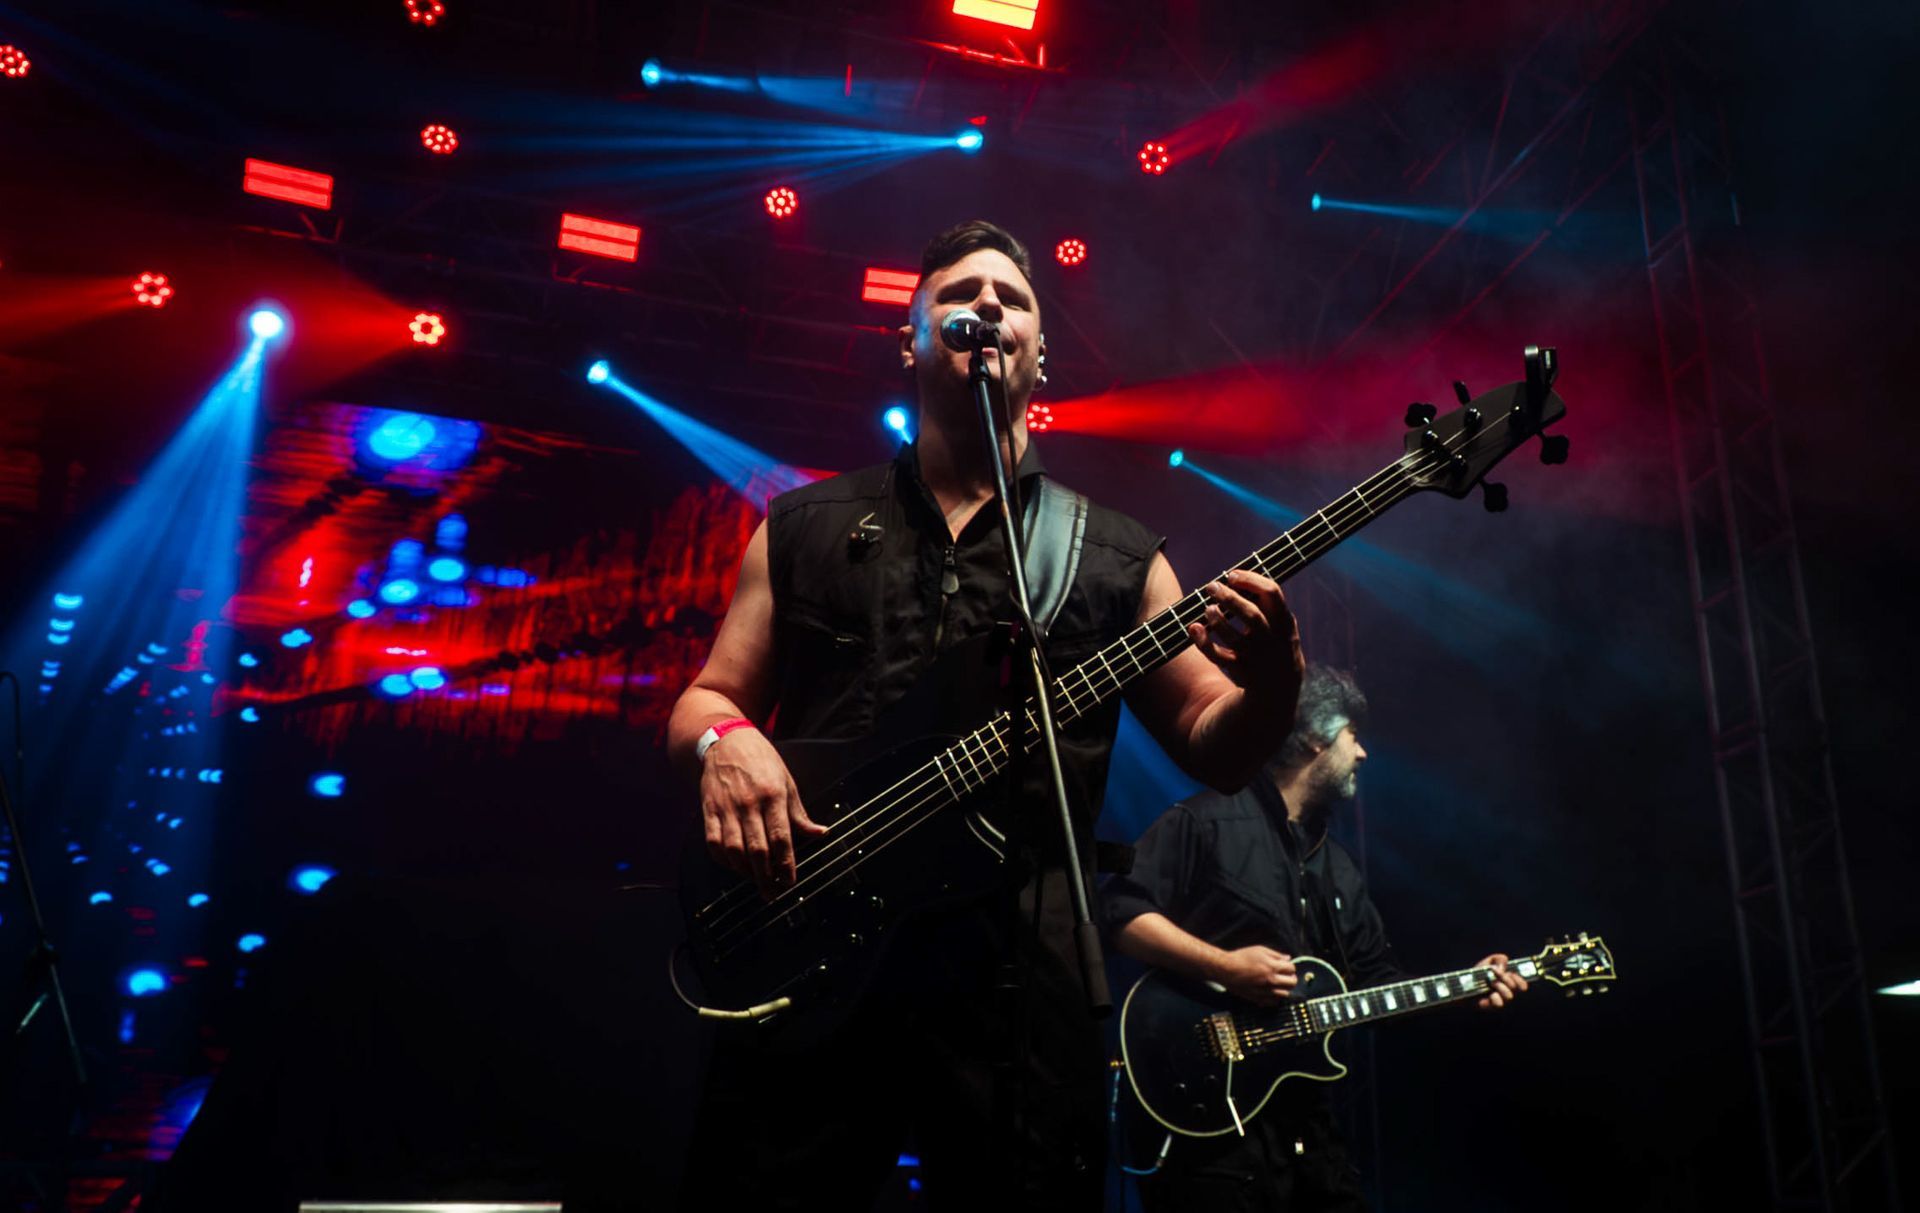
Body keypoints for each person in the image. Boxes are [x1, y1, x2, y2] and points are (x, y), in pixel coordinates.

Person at [666, 219, 1306, 1211]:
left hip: (1021, 982)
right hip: (818, 957)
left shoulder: (1116, 554)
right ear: (912, 335)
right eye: (963, 292)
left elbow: (1215, 746)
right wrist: (726, 744)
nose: (991, 307)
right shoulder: (803, 526)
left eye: (1015, 299)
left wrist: (1272, 685)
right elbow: (709, 698)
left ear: (1040, 354)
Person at [1103, 665, 1529, 1212]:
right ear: (1313, 739)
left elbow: (1380, 984)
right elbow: (1120, 912)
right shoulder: (1206, 820)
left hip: (1309, 1141)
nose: (1363, 754)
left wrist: (1470, 986)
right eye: (1354, 736)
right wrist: (1226, 966)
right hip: (1213, 1140)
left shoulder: (1341, 870)